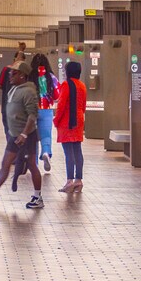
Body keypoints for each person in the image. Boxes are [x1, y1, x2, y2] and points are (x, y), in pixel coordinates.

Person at [0, 66, 44, 208]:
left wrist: (24, 134)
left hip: (27, 136)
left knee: (32, 165)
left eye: (14, 73)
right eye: (10, 73)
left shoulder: (29, 91)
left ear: (22, 75)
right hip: (15, 135)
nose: (10, 75)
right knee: (5, 164)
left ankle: (38, 197)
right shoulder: (14, 89)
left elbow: (32, 115)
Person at [56, 60, 89, 193]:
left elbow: (61, 104)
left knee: (68, 152)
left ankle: (69, 181)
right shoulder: (82, 85)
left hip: (67, 121)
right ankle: (78, 180)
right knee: (77, 150)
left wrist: (56, 120)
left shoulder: (66, 84)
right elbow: (84, 105)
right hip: (79, 119)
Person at [31, 53, 57, 169]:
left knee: (33, 137)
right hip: (46, 110)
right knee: (46, 135)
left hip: (32, 110)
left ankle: (34, 163)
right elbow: (57, 95)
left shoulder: (30, 76)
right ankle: (46, 152)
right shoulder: (51, 77)